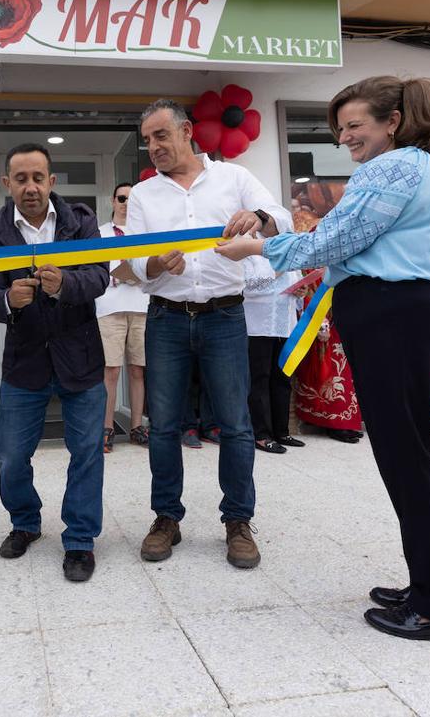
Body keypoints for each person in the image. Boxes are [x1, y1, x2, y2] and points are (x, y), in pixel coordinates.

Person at [217, 75, 430, 645]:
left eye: (355, 125)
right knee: (409, 454)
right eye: (340, 129)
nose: (346, 138)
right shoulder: (426, 168)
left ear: (394, 121)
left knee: (407, 459)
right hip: (406, 311)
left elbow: (338, 239)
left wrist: (259, 247)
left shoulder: (392, 167)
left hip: (393, 314)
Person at [126, 98, 290, 570]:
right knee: (164, 426)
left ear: (187, 131)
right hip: (167, 317)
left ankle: (238, 521)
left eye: (161, 135)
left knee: (236, 425)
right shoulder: (143, 196)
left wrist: (257, 218)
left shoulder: (234, 178)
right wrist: (156, 263)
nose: (153, 147)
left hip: (224, 317)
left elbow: (277, 214)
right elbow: (137, 263)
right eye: (147, 140)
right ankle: (166, 517)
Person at [0, 143, 108, 583]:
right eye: (21, 179)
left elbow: (100, 277)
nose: (30, 187)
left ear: (52, 182)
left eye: (38, 178)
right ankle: (25, 522)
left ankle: (80, 540)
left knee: (87, 453)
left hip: (81, 359)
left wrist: (65, 284)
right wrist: (8, 300)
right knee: (12, 455)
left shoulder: (81, 222)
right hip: (24, 363)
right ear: (6, 184)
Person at [95, 182, 149, 452]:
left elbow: (154, 267)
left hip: (141, 305)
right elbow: (93, 271)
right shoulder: (100, 233)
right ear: (112, 200)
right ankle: (106, 427)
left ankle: (137, 426)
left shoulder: (145, 232)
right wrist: (116, 275)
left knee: (138, 369)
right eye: (122, 198)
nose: (126, 202)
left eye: (131, 198)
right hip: (109, 306)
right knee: (111, 371)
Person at [241, 256, 303, 453]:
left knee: (282, 378)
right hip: (258, 326)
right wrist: (277, 272)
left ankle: (281, 431)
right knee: (259, 379)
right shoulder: (249, 254)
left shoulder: (288, 254)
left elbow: (297, 289)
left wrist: (300, 291)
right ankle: (260, 434)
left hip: (285, 325)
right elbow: (246, 288)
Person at [292, 272, 364, 443]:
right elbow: (308, 297)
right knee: (329, 373)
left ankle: (346, 420)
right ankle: (333, 422)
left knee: (346, 373)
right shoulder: (307, 268)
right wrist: (321, 324)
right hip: (321, 325)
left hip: (343, 320)